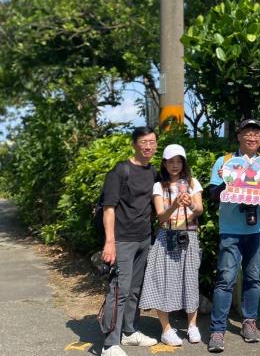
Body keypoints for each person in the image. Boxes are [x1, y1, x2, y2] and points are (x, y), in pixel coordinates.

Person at [207, 119, 260, 353]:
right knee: (225, 279)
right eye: (247, 133)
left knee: (253, 278)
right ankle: (217, 330)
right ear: (239, 137)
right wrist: (227, 181)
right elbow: (213, 195)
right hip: (230, 230)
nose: (252, 137)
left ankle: (249, 322)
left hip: (258, 230)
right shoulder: (224, 161)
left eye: (256, 134)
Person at [99, 127, 159, 356]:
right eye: (143, 142)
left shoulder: (153, 171)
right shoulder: (120, 171)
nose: (148, 146)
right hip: (122, 240)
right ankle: (109, 344)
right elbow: (109, 208)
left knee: (135, 289)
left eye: (152, 142)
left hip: (144, 238)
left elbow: (173, 184)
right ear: (134, 144)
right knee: (119, 290)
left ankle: (129, 331)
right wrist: (110, 242)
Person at [139, 144, 204, 346]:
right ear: (164, 164)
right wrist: (175, 204)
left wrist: (190, 204)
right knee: (162, 280)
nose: (175, 165)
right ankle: (166, 329)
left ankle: (192, 326)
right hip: (166, 236)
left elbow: (199, 210)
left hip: (188, 235)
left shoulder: (192, 182)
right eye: (171, 162)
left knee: (190, 280)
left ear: (183, 163)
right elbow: (161, 217)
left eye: (179, 161)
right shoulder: (159, 186)